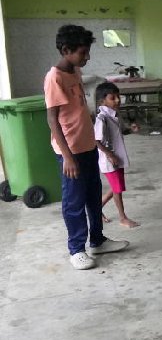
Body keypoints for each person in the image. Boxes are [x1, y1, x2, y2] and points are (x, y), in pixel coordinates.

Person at [44, 25, 129, 270]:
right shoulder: (55, 78)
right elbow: (52, 120)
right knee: (74, 201)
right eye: (83, 53)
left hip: (88, 146)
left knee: (93, 195)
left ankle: (98, 240)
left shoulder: (75, 71)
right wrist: (68, 157)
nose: (87, 57)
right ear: (66, 50)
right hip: (71, 152)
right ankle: (77, 249)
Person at [94, 82, 140, 228]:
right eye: (113, 98)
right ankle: (122, 218)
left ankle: (96, 209)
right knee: (117, 189)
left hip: (117, 158)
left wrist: (130, 129)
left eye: (118, 97)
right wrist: (110, 155)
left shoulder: (114, 115)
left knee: (116, 187)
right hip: (110, 161)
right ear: (102, 101)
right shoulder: (102, 118)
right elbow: (96, 140)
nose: (118, 100)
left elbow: (119, 132)